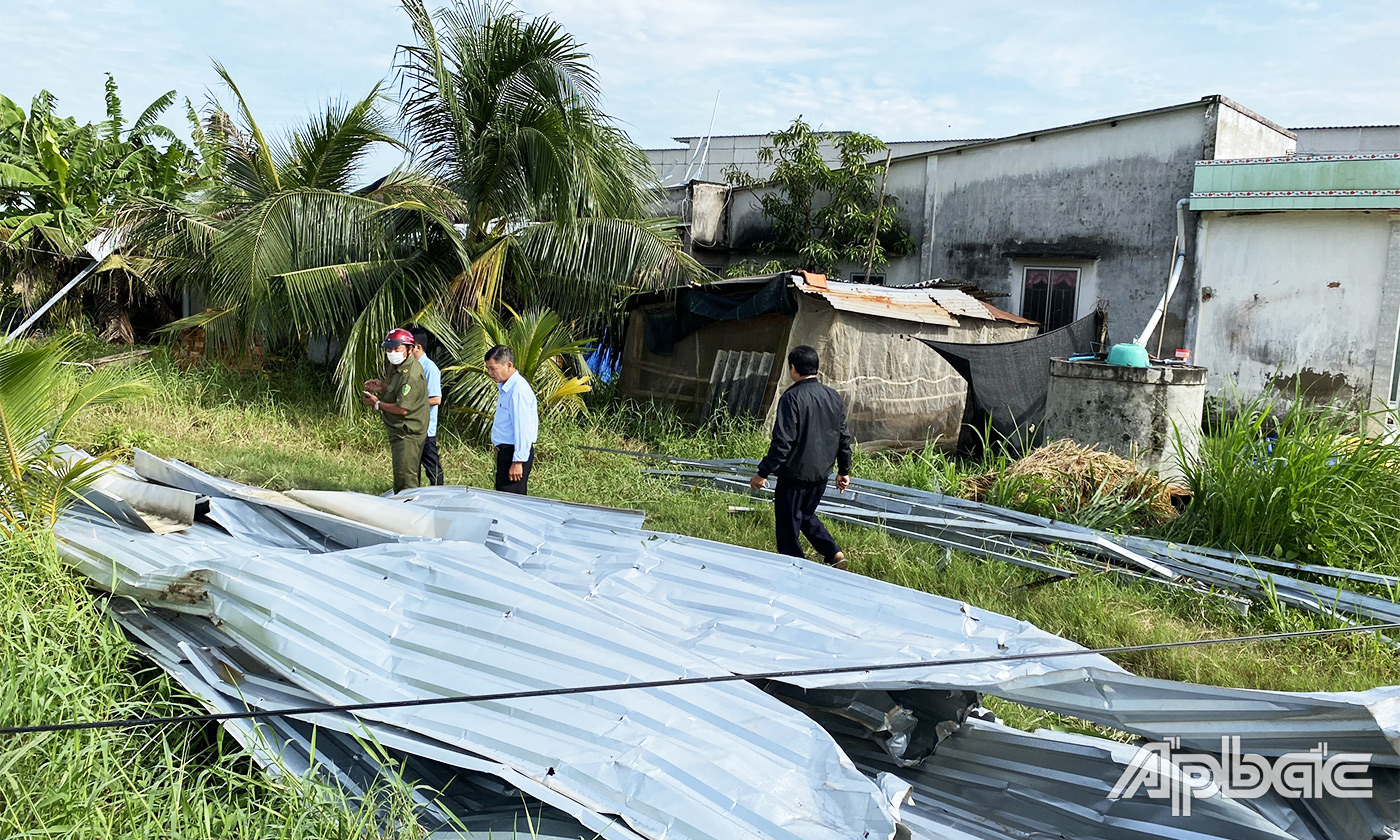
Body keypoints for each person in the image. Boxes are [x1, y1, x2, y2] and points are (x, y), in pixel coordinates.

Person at [749, 345, 853, 569]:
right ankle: (834, 553)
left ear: (793, 368)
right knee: (805, 515)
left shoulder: (792, 398)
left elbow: (783, 442)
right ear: (816, 368)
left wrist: (762, 472)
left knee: (788, 528)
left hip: (795, 476)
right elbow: (844, 437)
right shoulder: (833, 397)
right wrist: (844, 471)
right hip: (821, 474)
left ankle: (796, 571)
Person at [362, 328, 431, 493]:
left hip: (407, 432)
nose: (392, 353)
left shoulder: (410, 375)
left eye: (397, 348)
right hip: (400, 430)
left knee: (406, 480)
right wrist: (383, 388)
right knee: (403, 475)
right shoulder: (399, 367)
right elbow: (399, 393)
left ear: (409, 349)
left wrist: (377, 403)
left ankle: (409, 511)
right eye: (389, 349)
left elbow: (403, 408)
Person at [484, 344, 538, 495]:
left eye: (493, 368)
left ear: (508, 365)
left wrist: (518, 461)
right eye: (488, 368)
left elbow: (523, 429)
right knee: (503, 496)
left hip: (514, 453)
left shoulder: (518, 391)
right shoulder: (505, 388)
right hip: (506, 451)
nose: (490, 373)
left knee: (511, 502)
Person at [409, 327, 445, 486]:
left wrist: (411, 404)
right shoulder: (409, 367)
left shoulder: (429, 368)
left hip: (424, 428)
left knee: (432, 467)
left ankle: (439, 494)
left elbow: (436, 399)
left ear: (417, 347)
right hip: (410, 426)